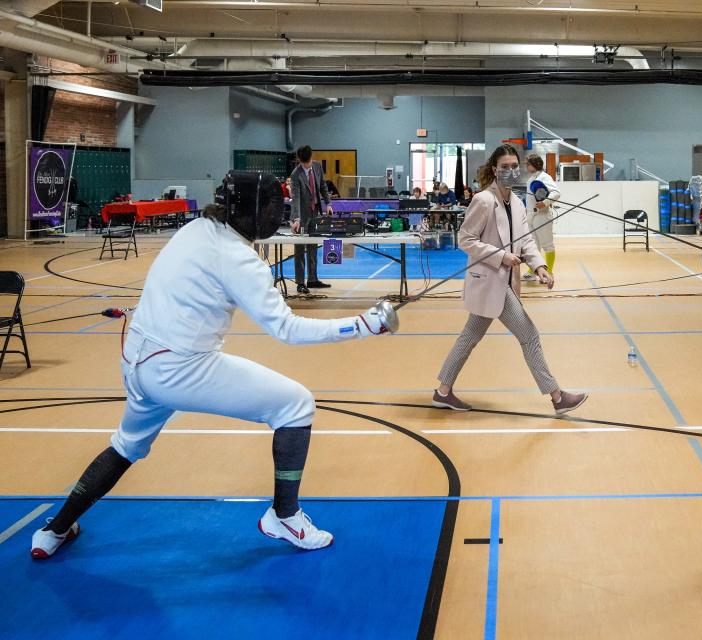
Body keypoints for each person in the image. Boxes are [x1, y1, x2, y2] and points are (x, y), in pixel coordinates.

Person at [29, 172, 396, 559]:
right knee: (296, 405)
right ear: (251, 209)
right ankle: (284, 516)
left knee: (126, 446)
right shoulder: (239, 258)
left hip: (137, 359)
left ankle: (54, 531)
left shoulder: (197, 229)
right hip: (180, 368)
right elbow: (286, 328)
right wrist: (361, 325)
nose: (279, 213)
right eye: (273, 206)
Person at [431, 144, 587, 415]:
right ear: (494, 169)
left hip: (503, 282)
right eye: (505, 167)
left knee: (469, 337)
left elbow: (525, 240)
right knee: (529, 335)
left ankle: (442, 392)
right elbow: (466, 240)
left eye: (514, 167)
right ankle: (557, 396)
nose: (511, 171)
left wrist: (539, 267)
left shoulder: (515, 202)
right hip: (490, 280)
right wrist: (501, 256)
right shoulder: (483, 200)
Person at [290, 145, 334, 294]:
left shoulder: (317, 167)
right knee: (300, 249)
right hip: (301, 216)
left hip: (315, 211)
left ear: (311, 157)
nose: (307, 165)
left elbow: (322, 186)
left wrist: (328, 203)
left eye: (308, 162)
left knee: (313, 247)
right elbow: (295, 197)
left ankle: (313, 279)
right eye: (304, 163)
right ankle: (300, 282)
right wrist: (296, 218)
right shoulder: (296, 174)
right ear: (300, 161)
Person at [522, 154, 560, 282]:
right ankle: (533, 271)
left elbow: (556, 193)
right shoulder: (531, 179)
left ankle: (549, 273)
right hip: (531, 216)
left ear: (534, 164)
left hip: (542, 215)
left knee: (547, 245)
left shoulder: (545, 177)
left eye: (528, 164)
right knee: (533, 245)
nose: (526, 166)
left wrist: (545, 202)